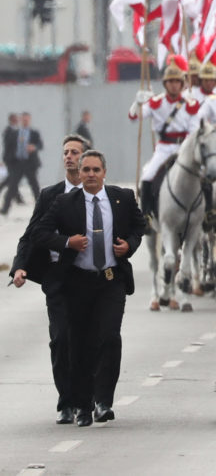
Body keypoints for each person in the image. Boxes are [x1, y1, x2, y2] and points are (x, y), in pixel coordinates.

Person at [31, 150, 145, 427]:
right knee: (80, 345)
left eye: (96, 170)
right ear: (79, 174)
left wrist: (129, 244)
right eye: (86, 170)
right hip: (77, 282)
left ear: (104, 172)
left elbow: (140, 226)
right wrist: (67, 242)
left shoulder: (123, 198)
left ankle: (103, 400)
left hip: (110, 280)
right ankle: (82, 405)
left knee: (109, 337)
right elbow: (39, 233)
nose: (91, 175)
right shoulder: (64, 202)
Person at [9, 134, 91, 424]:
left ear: (86, 158)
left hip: (89, 280)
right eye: (66, 151)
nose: (69, 156)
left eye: (75, 152)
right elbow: (30, 235)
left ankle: (86, 402)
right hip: (57, 279)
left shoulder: (98, 194)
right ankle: (66, 403)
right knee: (60, 340)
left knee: (86, 342)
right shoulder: (49, 195)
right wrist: (20, 267)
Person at [128, 62, 201, 220]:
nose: (174, 85)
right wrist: (137, 102)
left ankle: (208, 213)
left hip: (184, 148)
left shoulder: (190, 104)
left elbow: (194, 130)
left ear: (182, 84)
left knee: (204, 176)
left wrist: (187, 147)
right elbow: (135, 117)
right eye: (170, 82)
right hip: (164, 148)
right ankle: (146, 214)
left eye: (177, 82)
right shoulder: (156, 102)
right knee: (147, 176)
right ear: (165, 84)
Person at [2, 112, 43, 214]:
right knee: (12, 186)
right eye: (23, 119)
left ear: (29, 120)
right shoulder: (14, 133)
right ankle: (5, 209)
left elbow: (40, 144)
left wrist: (34, 147)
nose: (25, 121)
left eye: (27, 120)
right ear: (20, 120)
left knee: (34, 186)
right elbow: (8, 148)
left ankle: (41, 209)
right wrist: (7, 160)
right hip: (17, 163)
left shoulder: (34, 133)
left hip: (30, 163)